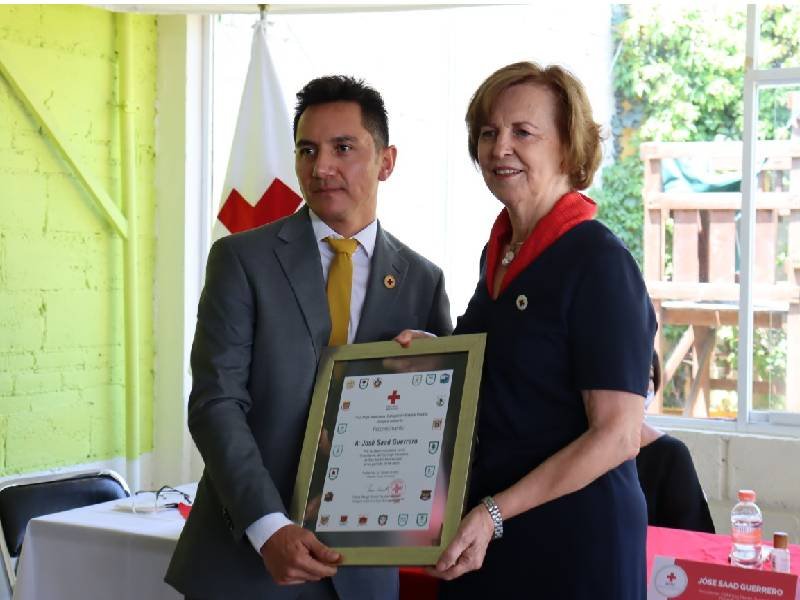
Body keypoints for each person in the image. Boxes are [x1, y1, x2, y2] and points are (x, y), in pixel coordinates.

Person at [166, 75, 453, 600]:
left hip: (364, 573)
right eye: (307, 150)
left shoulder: (421, 280)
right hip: (245, 566)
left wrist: (433, 376)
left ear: (386, 161)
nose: (321, 167)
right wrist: (267, 527)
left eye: (343, 147)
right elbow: (215, 402)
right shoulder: (241, 260)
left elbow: (444, 432)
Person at [399, 61, 656, 599]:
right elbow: (499, 366)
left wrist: (494, 513)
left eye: (523, 132)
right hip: (491, 533)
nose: (499, 149)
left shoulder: (598, 262)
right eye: (489, 133)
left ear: (567, 147)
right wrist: (435, 354)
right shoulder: (500, 255)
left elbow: (617, 435)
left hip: (570, 544)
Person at [637, 352, 716, 533]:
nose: (640, 387)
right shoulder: (580, 452)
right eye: (632, 376)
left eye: (648, 377)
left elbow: (696, 543)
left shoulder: (670, 455)